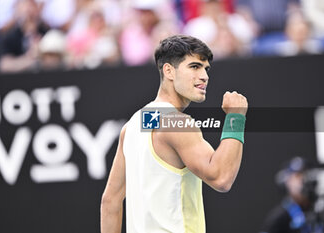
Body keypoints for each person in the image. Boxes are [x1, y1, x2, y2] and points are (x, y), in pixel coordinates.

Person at [100, 35, 248, 233]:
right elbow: (221, 178)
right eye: (194, 67)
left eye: (206, 68)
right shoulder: (176, 122)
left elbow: (110, 202)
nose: (204, 76)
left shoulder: (133, 125)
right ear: (168, 70)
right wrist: (235, 117)